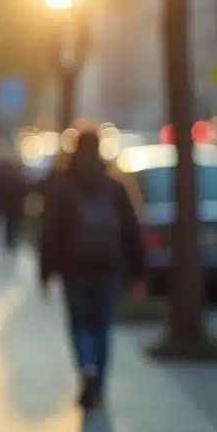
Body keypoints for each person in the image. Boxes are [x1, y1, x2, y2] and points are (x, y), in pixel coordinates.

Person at [38, 130, 146, 411]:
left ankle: (86, 368)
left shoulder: (62, 187)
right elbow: (132, 230)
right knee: (102, 327)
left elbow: (50, 232)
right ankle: (99, 379)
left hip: (74, 268)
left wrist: (45, 272)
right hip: (109, 267)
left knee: (79, 324)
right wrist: (138, 271)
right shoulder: (114, 185)